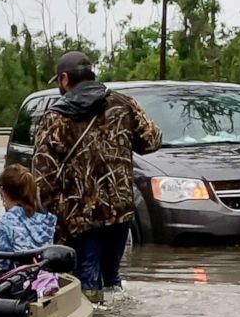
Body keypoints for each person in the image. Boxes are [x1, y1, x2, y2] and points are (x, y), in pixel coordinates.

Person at [33, 51, 162, 303]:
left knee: (85, 279)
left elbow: (43, 178)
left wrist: (45, 215)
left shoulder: (54, 117)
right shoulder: (124, 104)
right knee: (111, 277)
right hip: (120, 209)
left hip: (77, 215)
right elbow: (152, 140)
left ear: (64, 79)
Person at [0, 164, 56, 273]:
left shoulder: (5, 221)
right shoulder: (48, 219)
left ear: (2, 191)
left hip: (21, 281)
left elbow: (2, 264)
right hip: (46, 278)